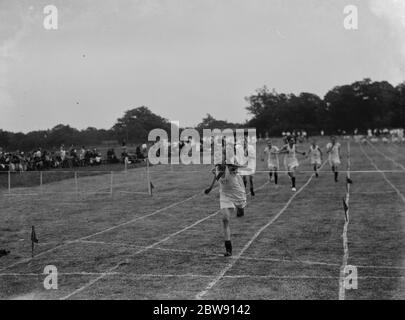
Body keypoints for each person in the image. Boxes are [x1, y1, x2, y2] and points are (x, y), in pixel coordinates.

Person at [205, 142, 247, 257]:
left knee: (241, 208)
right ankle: (228, 249)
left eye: (222, 154)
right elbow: (216, 175)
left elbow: (238, 167)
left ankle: (240, 207)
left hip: (236, 192)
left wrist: (236, 166)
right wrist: (210, 187)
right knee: (225, 219)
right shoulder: (217, 165)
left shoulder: (231, 166)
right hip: (224, 194)